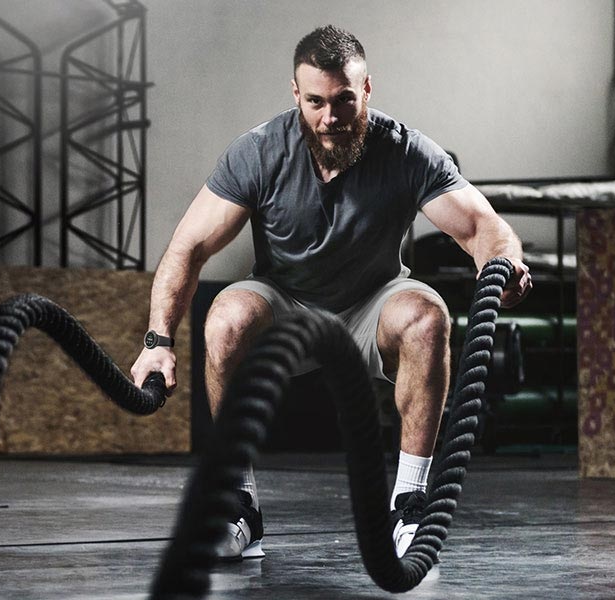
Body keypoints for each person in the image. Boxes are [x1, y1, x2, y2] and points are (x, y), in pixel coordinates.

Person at [130, 25, 532, 562]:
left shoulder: (407, 151)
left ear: (367, 90)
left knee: (428, 316)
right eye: (316, 101)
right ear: (296, 94)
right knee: (224, 316)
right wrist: (158, 338)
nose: (330, 118)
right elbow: (188, 248)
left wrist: (504, 265)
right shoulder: (258, 152)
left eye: (344, 100)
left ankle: (409, 504)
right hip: (285, 303)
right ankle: (236, 503)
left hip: (372, 301)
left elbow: (482, 227)